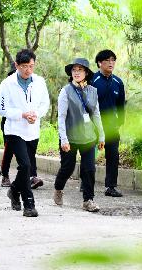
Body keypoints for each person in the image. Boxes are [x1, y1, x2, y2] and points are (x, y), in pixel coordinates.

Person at [0, 49, 50, 217]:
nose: (28, 70)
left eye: (31, 66)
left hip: (33, 130)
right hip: (14, 130)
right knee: (26, 166)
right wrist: (21, 114)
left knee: (25, 167)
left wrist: (37, 114)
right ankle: (29, 204)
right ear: (16, 65)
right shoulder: (7, 83)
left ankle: (14, 190)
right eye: (24, 66)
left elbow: (45, 103)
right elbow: (3, 109)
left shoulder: (40, 82)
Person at [53, 58, 105, 213]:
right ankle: (58, 188)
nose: (76, 72)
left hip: (88, 137)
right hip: (69, 137)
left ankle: (88, 200)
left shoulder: (93, 91)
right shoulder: (66, 91)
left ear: (86, 73)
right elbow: (61, 117)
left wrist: (101, 136)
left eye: (80, 70)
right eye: (74, 70)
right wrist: (63, 139)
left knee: (89, 169)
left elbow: (96, 115)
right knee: (67, 168)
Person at [92, 49, 126, 197]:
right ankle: (86, 183)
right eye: (107, 60)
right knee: (89, 155)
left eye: (113, 60)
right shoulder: (92, 80)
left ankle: (110, 186)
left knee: (113, 155)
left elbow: (121, 105)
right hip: (94, 125)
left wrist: (120, 121)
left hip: (112, 126)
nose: (111, 63)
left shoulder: (118, 82)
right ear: (100, 62)